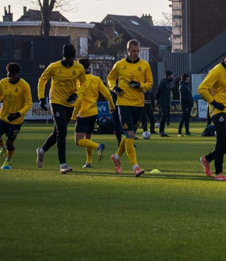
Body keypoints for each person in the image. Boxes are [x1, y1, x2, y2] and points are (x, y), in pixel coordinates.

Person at [35, 44, 86, 175]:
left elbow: (84, 85)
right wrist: (41, 98)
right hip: (56, 101)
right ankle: (63, 165)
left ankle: (41, 151)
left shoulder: (79, 68)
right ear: (64, 57)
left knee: (57, 132)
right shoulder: (54, 66)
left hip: (69, 104)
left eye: (72, 58)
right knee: (62, 132)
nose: (70, 61)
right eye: (68, 58)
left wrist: (76, 94)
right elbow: (42, 80)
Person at [107, 39, 154, 176]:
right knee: (130, 135)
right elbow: (110, 78)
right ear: (127, 50)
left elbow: (150, 83)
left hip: (138, 105)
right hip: (123, 104)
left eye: (137, 51)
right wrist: (114, 87)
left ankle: (116, 157)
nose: (135, 53)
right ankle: (135, 167)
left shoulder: (145, 65)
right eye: (133, 51)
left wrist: (140, 85)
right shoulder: (120, 65)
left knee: (130, 135)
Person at [198, 49, 226, 181]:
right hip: (218, 110)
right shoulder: (217, 70)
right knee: (222, 140)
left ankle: (207, 159)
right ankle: (219, 173)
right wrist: (214, 103)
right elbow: (202, 88)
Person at [70, 58, 114, 168]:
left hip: (83, 113)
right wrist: (112, 105)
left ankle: (98, 146)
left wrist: (74, 115)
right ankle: (89, 162)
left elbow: (79, 99)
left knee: (78, 141)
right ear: (88, 67)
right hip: (93, 112)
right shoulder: (96, 79)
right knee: (87, 139)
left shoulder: (79, 80)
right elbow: (107, 93)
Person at [0, 63, 33, 170]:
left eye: (13, 75)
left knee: (10, 142)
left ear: (17, 74)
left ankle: (8, 161)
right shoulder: (3, 82)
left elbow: (29, 103)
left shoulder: (24, 85)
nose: (10, 77)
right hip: (3, 116)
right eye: (9, 74)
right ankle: (3, 147)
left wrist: (18, 114)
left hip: (16, 120)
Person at [155, 71, 174, 136]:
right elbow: (158, 90)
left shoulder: (168, 83)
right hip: (162, 101)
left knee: (165, 115)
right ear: (169, 76)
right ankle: (161, 131)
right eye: (172, 75)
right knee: (164, 115)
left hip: (166, 102)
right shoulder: (163, 82)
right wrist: (156, 99)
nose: (173, 77)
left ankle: (161, 131)